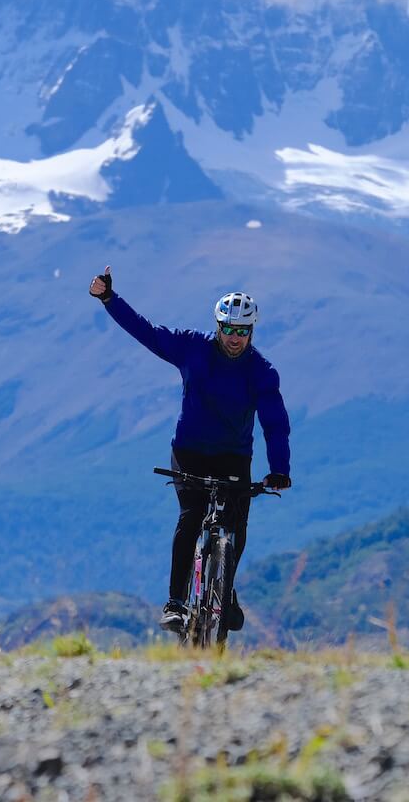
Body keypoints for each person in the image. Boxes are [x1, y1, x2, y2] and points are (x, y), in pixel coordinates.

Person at [88, 265, 291, 632]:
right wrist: (108, 299)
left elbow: (275, 423)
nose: (234, 338)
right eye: (229, 328)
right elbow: (147, 332)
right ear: (218, 325)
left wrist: (280, 469)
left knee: (235, 523)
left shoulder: (261, 372)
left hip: (233, 456)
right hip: (190, 452)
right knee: (191, 517)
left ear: (251, 332)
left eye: (242, 331)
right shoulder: (193, 348)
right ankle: (176, 602)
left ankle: (225, 589)